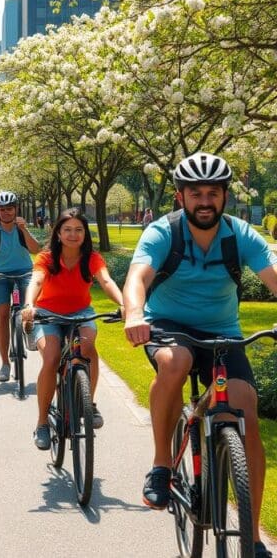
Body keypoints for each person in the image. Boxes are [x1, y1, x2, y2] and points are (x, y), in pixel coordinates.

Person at [123, 152, 276, 558]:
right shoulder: (163, 232)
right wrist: (135, 313)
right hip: (167, 325)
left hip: (223, 332)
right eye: (196, 193)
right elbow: (138, 276)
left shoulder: (240, 235)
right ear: (180, 196)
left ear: (225, 197)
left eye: (213, 192)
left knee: (244, 405)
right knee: (176, 362)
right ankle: (160, 466)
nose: (205, 201)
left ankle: (252, 535)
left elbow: (274, 274)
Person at [21, 208, 124, 449]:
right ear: (57, 233)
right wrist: (29, 304)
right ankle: (42, 422)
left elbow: (106, 281)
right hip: (48, 314)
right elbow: (36, 281)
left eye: (79, 230)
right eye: (67, 229)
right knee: (52, 357)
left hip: (81, 313)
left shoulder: (92, 258)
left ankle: (91, 402)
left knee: (88, 348)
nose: (73, 234)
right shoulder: (46, 258)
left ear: (85, 234)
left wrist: (123, 304)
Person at [0, 191, 41, 382]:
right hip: (1, 276)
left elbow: (36, 249)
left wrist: (24, 229)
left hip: (25, 273)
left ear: (16, 209)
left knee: (29, 308)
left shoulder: (21, 228)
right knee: (2, 314)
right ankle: (5, 363)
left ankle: (29, 328)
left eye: (9, 209)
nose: (6, 213)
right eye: (2, 209)